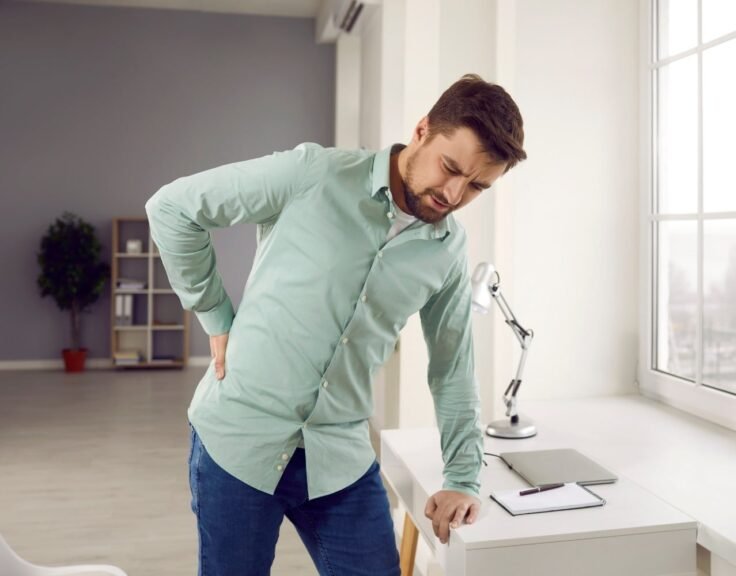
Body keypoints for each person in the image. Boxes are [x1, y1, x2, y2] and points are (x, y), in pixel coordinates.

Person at [145, 73, 526, 576]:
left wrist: (462, 476)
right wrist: (215, 315)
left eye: (477, 186)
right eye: (450, 167)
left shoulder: (447, 252)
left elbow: (452, 368)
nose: (453, 194)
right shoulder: (314, 174)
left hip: (338, 457)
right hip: (238, 441)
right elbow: (172, 208)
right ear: (422, 129)